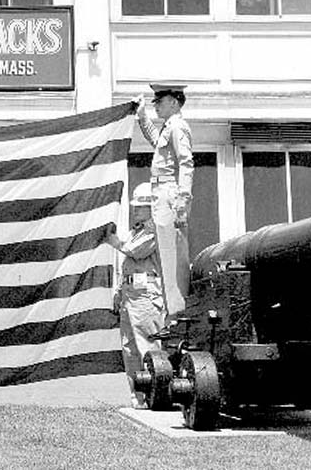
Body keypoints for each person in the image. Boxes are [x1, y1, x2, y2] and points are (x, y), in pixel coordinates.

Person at [134, 83, 194, 315]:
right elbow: (155, 141)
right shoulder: (169, 127)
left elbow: (186, 163)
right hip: (162, 193)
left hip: (169, 194)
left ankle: (178, 313)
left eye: (160, 101)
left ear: (174, 102)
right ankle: (172, 311)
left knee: (172, 258)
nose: (156, 105)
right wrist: (142, 116)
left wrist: (182, 200)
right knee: (165, 256)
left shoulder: (177, 126)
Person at [105, 182, 165, 409]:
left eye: (141, 206)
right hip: (130, 295)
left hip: (146, 296)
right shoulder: (137, 230)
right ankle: (138, 399)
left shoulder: (154, 230)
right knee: (129, 349)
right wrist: (119, 293)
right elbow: (126, 266)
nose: (136, 210)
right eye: (136, 206)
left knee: (147, 347)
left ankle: (156, 397)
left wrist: (114, 241)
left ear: (152, 207)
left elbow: (134, 251)